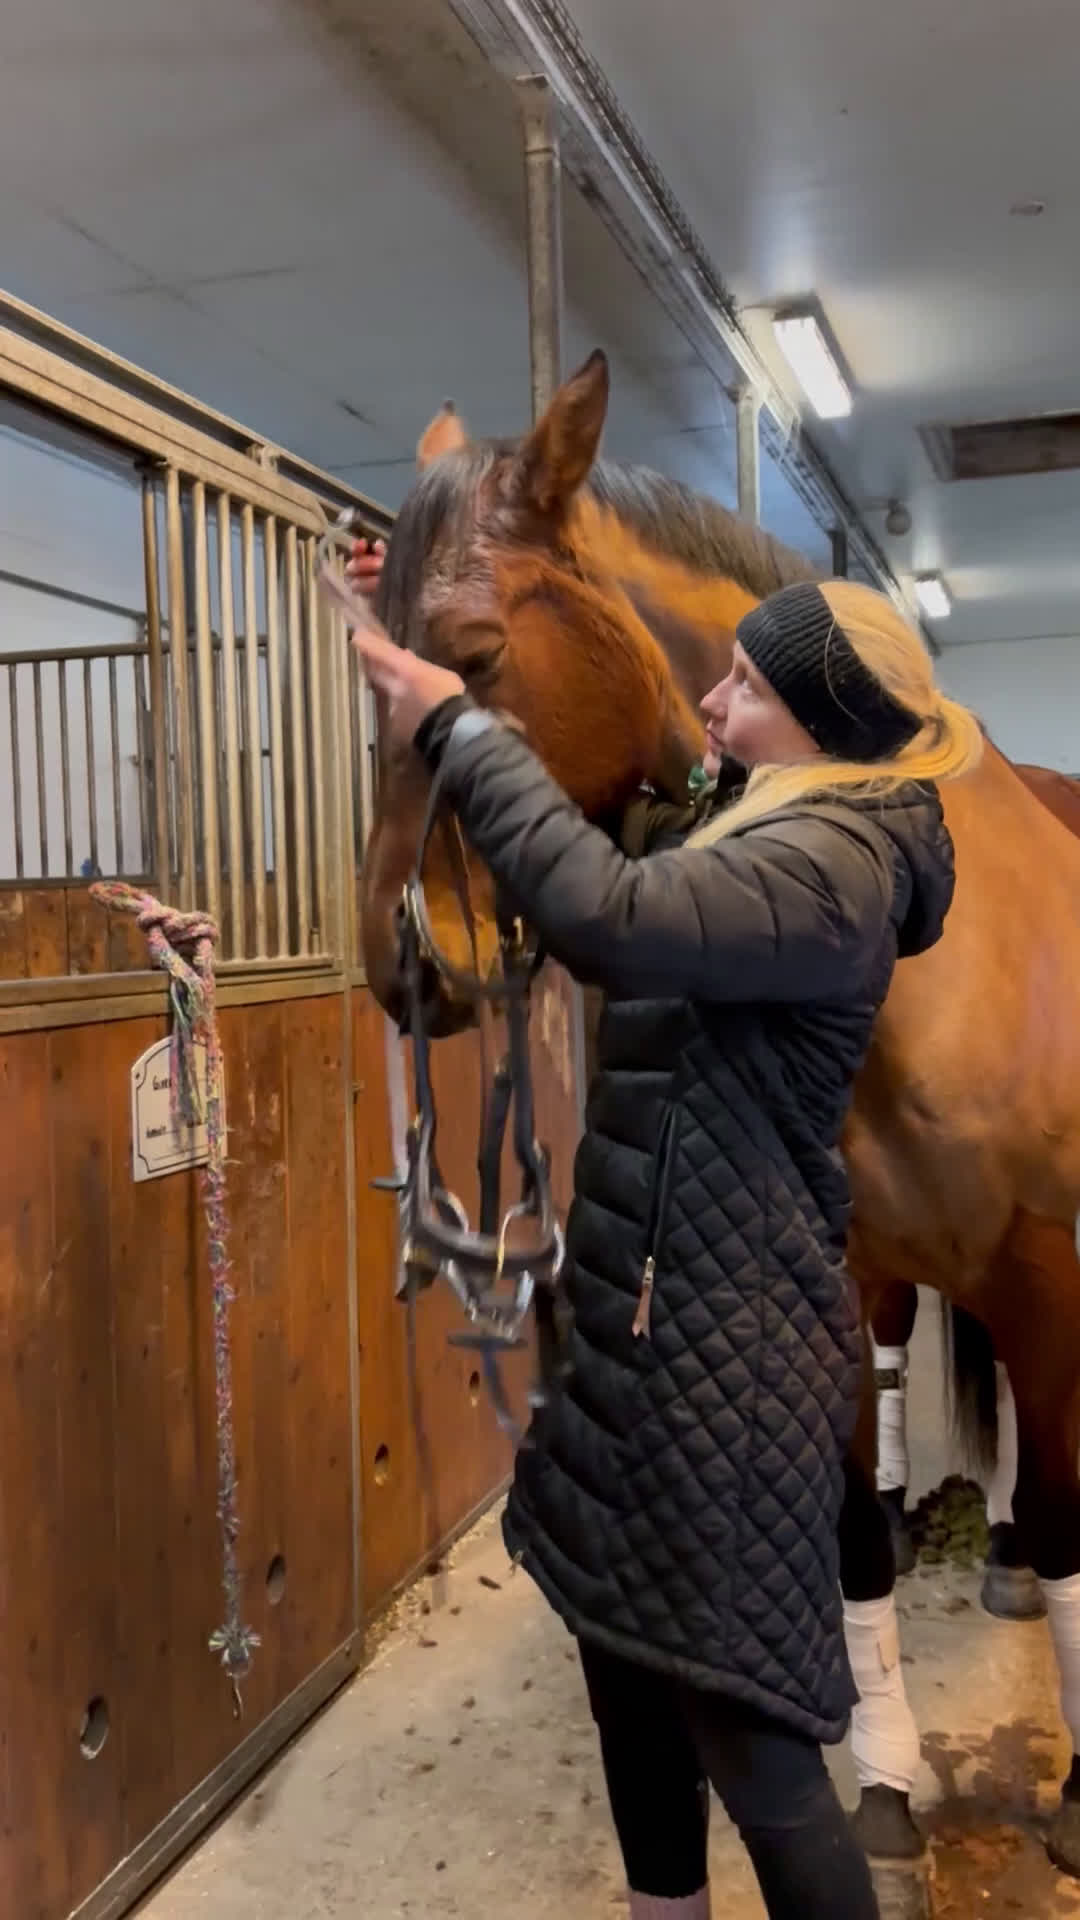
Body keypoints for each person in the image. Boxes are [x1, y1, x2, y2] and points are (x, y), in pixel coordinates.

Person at [346, 541, 981, 1920]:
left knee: (753, 1747)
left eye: (747, 687)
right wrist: (435, 620)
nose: (712, 703)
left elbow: (609, 915)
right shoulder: (748, 820)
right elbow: (590, 841)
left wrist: (451, 723)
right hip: (643, 1312)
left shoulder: (833, 867)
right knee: (623, 1659)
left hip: (725, 1341)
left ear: (823, 724)